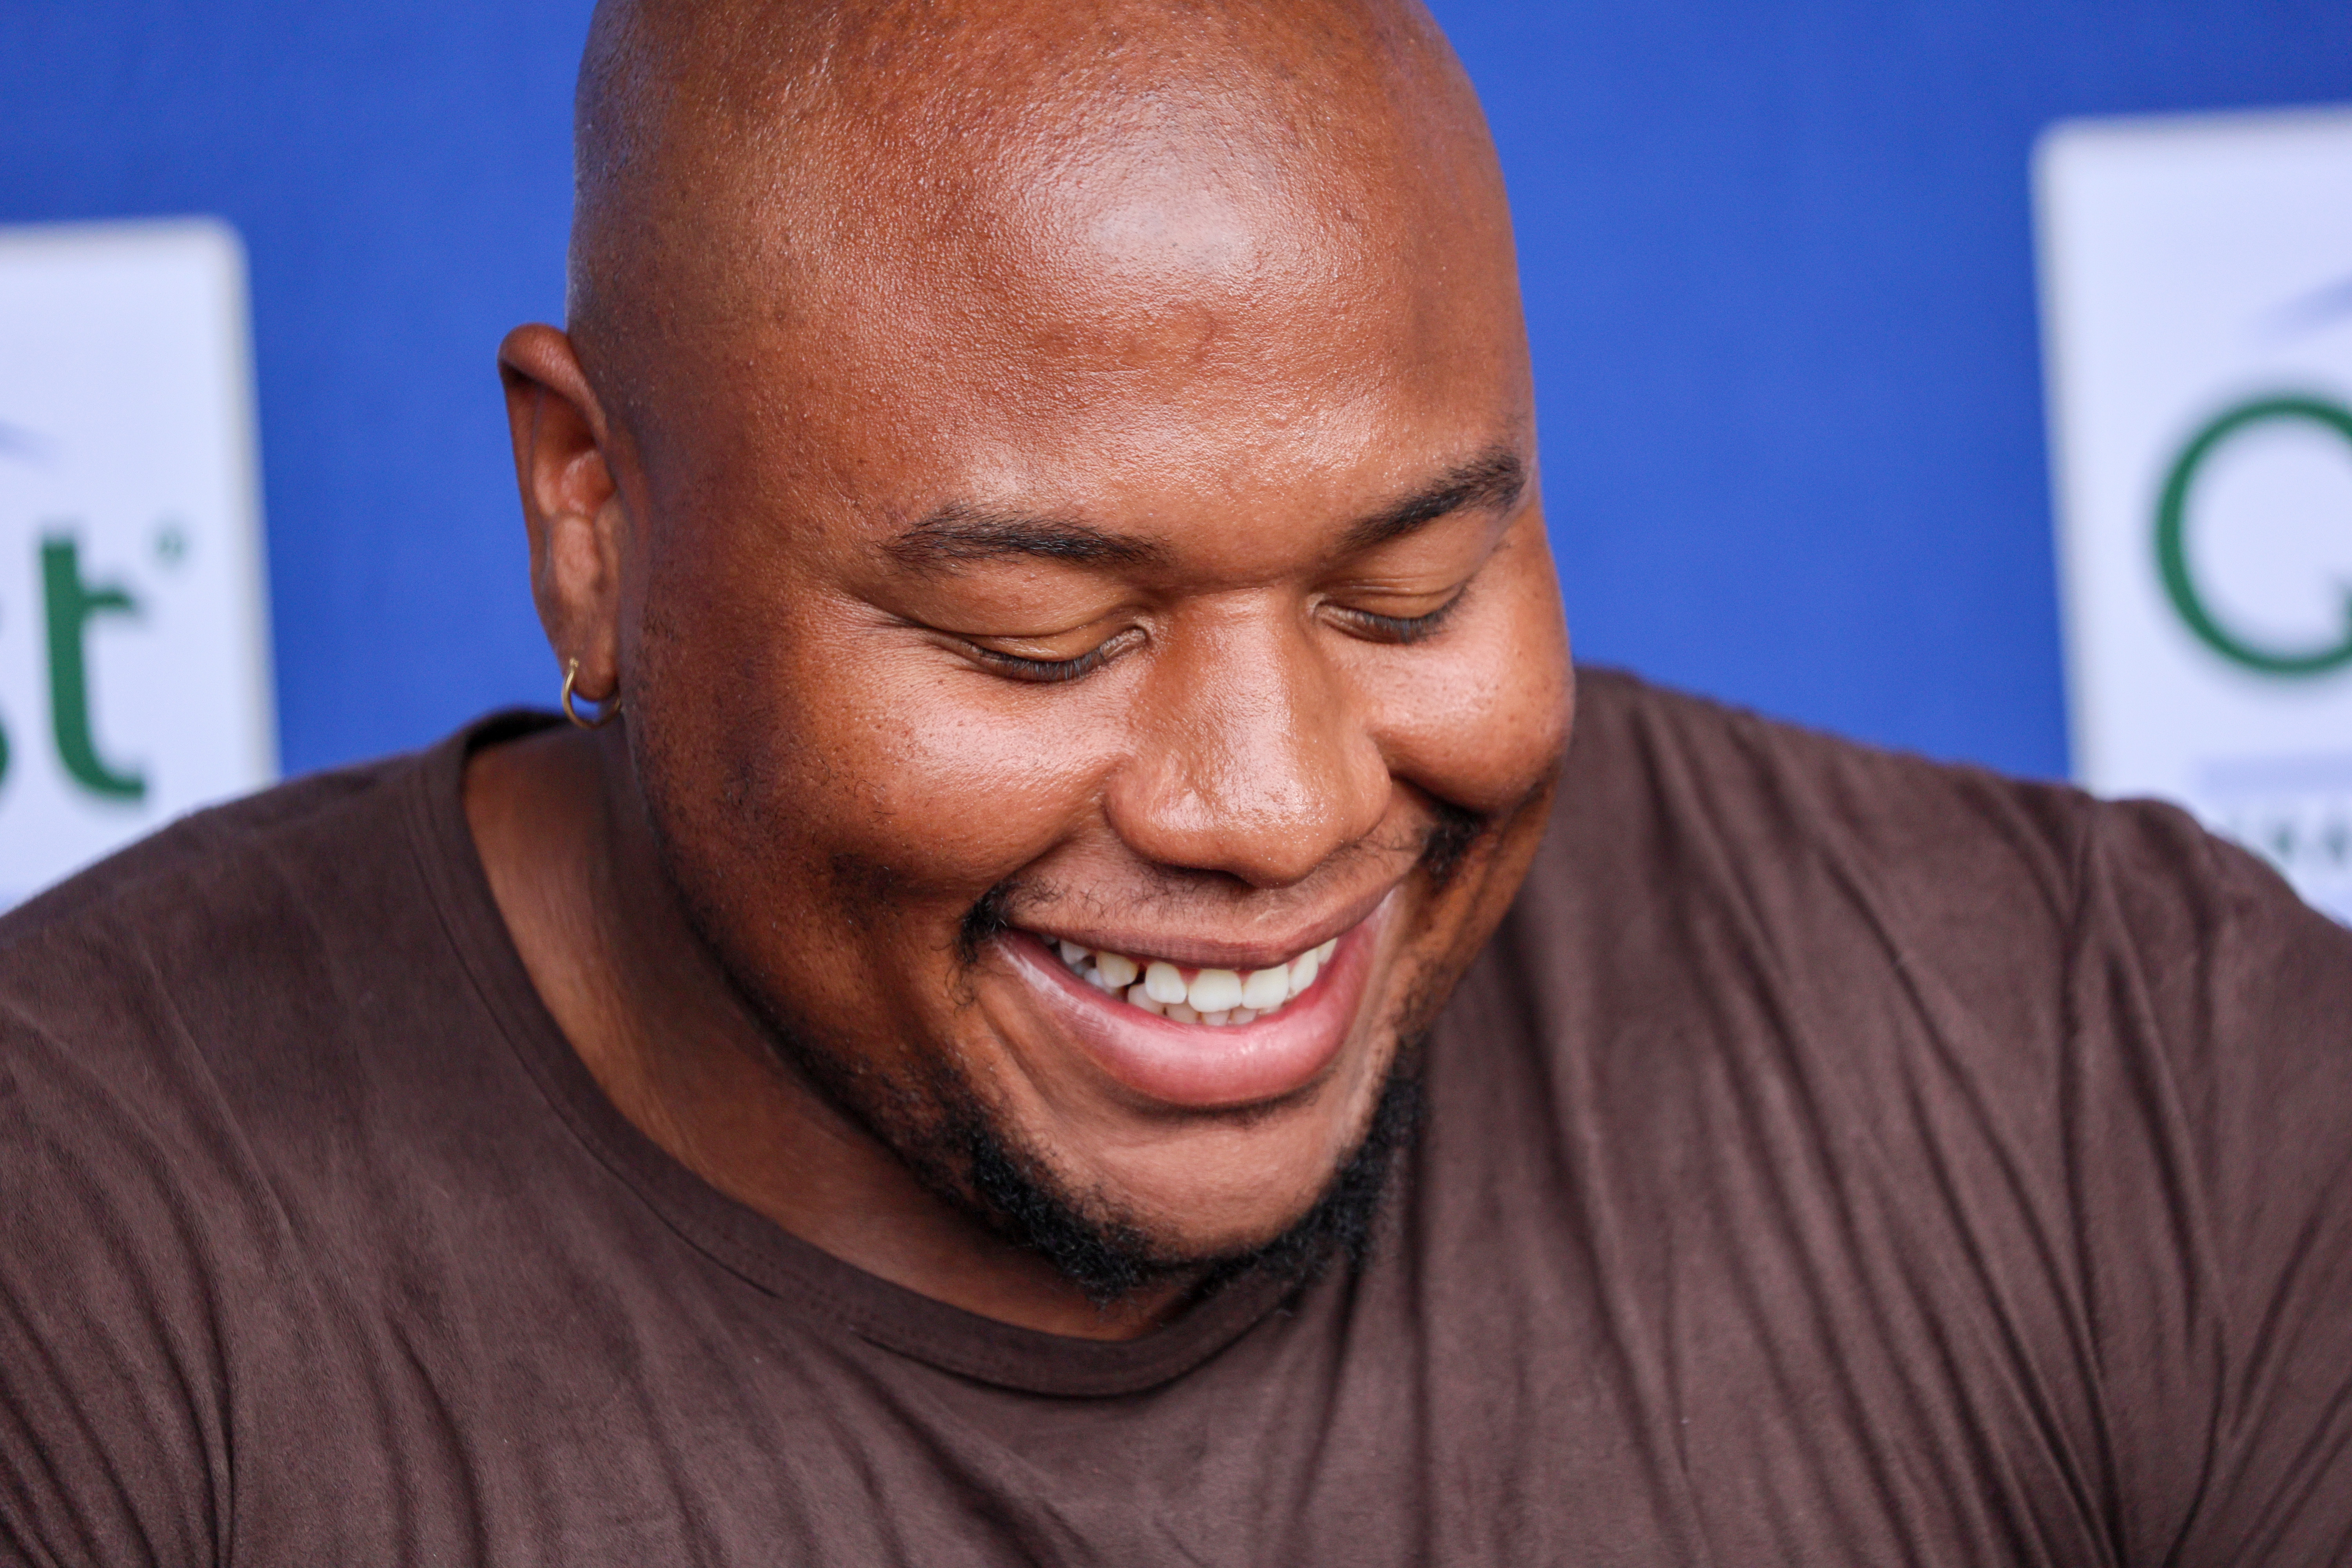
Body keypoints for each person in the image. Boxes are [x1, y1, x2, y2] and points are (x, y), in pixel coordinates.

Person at [2, 0, 2347, 1561]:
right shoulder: (92, 1277)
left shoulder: (2116, 1080)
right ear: (591, 515)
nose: (1275, 803)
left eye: (1410, 590)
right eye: (1043, 635)